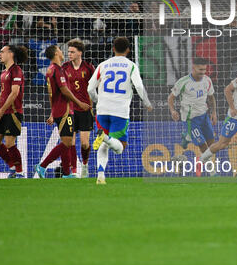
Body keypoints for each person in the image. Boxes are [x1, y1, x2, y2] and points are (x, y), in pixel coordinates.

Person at [87, 37, 153, 184]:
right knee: (120, 148)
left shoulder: (103, 65)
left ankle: (100, 175)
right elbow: (139, 87)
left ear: (113, 49)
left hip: (102, 110)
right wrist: (147, 103)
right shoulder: (131, 66)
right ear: (128, 50)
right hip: (120, 111)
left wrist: (98, 101)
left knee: (104, 145)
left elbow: (90, 88)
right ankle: (104, 137)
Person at [34, 45, 90, 179]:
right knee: (67, 142)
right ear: (55, 53)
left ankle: (66, 173)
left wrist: (52, 112)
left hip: (59, 110)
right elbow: (64, 90)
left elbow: (51, 93)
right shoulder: (57, 70)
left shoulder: (52, 70)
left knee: (67, 142)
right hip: (65, 110)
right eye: (59, 49)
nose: (62, 51)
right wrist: (79, 103)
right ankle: (42, 165)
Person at [0, 45, 28, 178]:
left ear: (10, 54)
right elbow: (3, 93)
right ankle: (12, 167)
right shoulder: (4, 72)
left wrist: (1, 110)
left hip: (13, 112)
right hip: (3, 112)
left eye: (2, 52)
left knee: (10, 143)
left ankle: (20, 172)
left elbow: (14, 93)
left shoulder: (16, 70)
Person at [168, 57, 217, 157]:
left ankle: (187, 137)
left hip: (204, 116)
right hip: (190, 119)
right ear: (193, 68)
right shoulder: (184, 82)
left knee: (212, 143)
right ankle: (212, 172)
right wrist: (172, 111)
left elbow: (211, 97)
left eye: (204, 70)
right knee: (203, 146)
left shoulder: (207, 80)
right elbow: (170, 98)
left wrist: (214, 112)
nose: (203, 72)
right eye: (200, 70)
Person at [62, 39, 95, 178]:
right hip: (70, 110)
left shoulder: (89, 68)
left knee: (85, 143)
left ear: (80, 52)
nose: (69, 54)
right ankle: (74, 171)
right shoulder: (64, 68)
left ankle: (85, 165)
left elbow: (95, 87)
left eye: (72, 52)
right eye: (68, 51)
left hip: (85, 109)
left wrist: (93, 102)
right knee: (71, 142)